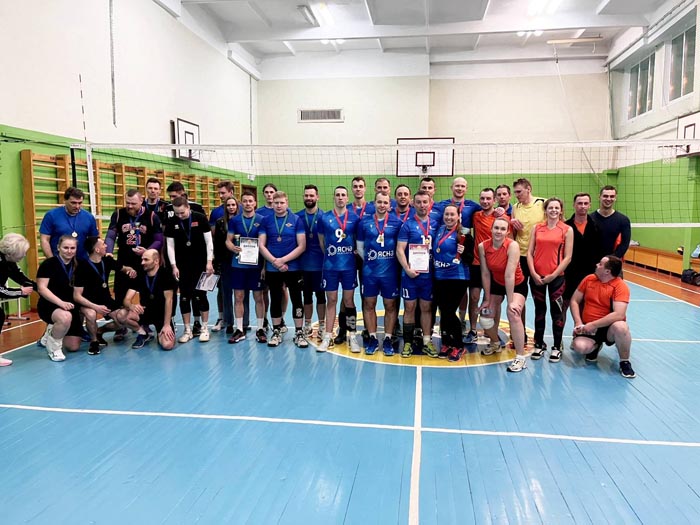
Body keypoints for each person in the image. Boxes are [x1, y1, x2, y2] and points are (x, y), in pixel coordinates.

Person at [105, 189, 163, 342]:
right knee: (120, 293)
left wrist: (148, 251)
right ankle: (121, 325)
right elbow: (111, 235)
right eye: (128, 203)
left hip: (143, 262)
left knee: (146, 294)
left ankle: (145, 324)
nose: (130, 206)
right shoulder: (118, 214)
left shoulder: (151, 216)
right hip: (124, 261)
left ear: (141, 201)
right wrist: (109, 251)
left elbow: (159, 239)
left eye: (133, 203)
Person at [569, 255, 636, 378]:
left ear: (607, 271)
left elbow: (619, 314)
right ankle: (595, 346)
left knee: (621, 327)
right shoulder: (589, 279)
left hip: (608, 328)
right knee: (580, 347)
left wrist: (593, 325)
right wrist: (578, 322)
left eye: (600, 264)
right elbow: (574, 301)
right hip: (588, 327)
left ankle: (624, 362)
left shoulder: (620, 286)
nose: (596, 265)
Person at [73, 236, 140, 354]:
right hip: (87, 301)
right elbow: (77, 296)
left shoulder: (107, 261)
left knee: (122, 319)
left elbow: (124, 268)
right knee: (91, 314)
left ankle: (100, 331)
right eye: (103, 244)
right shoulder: (82, 267)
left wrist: (131, 271)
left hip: (105, 299)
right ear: (97, 250)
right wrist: (96, 307)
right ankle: (94, 342)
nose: (106, 246)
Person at [478, 217, 529, 372]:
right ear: (491, 229)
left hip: (516, 284)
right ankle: (495, 343)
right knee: (485, 316)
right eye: (496, 228)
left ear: (507, 232)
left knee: (513, 313)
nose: (498, 231)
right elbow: (485, 273)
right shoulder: (483, 246)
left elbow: (509, 275)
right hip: (496, 283)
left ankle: (520, 357)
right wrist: (487, 299)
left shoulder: (512, 246)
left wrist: (511, 301)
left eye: (502, 229)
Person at [526, 198, 573, 362]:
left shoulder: (566, 229)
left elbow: (568, 257)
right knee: (539, 311)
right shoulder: (537, 228)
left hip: (557, 278)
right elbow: (529, 252)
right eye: (550, 208)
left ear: (561, 210)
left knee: (557, 312)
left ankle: (557, 347)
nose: (553, 210)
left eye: (556, 208)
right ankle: (539, 344)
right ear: (545, 210)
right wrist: (533, 273)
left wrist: (553, 275)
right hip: (537, 277)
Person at [258, 191, 307, 348]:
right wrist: (275, 261)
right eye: (276, 203)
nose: (278, 206)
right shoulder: (266, 221)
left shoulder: (296, 220)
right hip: (273, 268)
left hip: (293, 267)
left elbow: (302, 245)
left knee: (296, 298)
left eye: (281, 203)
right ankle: (277, 331)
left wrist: (283, 260)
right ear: (272, 204)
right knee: (275, 298)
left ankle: (299, 332)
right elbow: (261, 245)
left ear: (287, 203)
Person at [356, 192, 402, 356]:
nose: (382, 205)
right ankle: (373, 338)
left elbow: (400, 247)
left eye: (385, 202)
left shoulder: (397, 223)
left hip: (390, 272)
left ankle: (388, 338)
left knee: (390, 305)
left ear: (390, 205)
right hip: (370, 273)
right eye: (379, 202)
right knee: (369, 304)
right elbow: (359, 247)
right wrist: (372, 260)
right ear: (374, 203)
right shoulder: (364, 222)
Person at [318, 186, 362, 353]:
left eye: (343, 195)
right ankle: (327, 336)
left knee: (349, 301)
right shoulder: (324, 218)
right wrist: (332, 255)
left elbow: (357, 241)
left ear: (347, 198)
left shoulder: (355, 218)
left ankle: (352, 336)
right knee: (332, 300)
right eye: (337, 195)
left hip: (349, 267)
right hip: (330, 267)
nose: (340, 198)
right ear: (334, 197)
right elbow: (322, 242)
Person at [165, 197, 214, 343]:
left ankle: (204, 328)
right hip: (182, 266)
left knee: (201, 295)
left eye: (182, 212)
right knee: (184, 297)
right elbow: (170, 246)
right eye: (177, 213)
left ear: (188, 207)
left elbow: (209, 242)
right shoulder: (172, 221)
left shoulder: (200, 218)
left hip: (200, 264)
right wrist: (173, 265)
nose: (180, 216)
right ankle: (187, 330)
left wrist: (209, 262)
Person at [396, 190, 438, 358]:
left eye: (425, 202)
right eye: (419, 202)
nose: (422, 205)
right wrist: (407, 269)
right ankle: (408, 342)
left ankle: (427, 341)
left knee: (426, 308)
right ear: (413, 203)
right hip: (410, 275)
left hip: (429, 276)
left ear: (430, 203)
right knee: (409, 308)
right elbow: (400, 249)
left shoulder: (435, 224)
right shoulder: (407, 225)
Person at [433, 204, 472, 361]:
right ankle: (446, 343)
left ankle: (458, 346)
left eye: (452, 215)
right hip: (439, 276)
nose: (449, 217)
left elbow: (470, 258)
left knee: (449, 311)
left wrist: (464, 252)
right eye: (446, 214)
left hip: (457, 277)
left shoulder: (464, 233)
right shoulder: (440, 230)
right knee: (443, 311)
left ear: (458, 216)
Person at [226, 192, 266, 344]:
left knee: (259, 297)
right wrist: (232, 247)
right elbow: (228, 240)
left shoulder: (262, 220)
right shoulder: (235, 220)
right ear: (241, 204)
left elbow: (263, 243)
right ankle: (239, 329)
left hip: (256, 265)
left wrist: (264, 266)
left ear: (255, 203)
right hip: (238, 264)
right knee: (238, 297)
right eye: (245, 201)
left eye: (250, 201)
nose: (248, 203)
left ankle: (260, 328)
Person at [36, 235, 83, 361]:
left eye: (72, 248)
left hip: (71, 307)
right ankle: (54, 348)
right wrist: (61, 303)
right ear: (58, 247)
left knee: (73, 346)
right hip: (49, 305)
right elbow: (41, 288)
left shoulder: (79, 265)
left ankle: (51, 331)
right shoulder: (48, 264)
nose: (69, 251)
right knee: (65, 317)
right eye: (65, 247)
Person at [510, 178, 545, 342]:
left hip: (539, 257)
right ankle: (520, 333)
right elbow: (512, 235)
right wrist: (512, 225)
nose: (516, 195)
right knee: (519, 298)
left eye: (519, 191)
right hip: (521, 258)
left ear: (528, 189)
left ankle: (539, 338)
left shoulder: (542, 203)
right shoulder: (515, 207)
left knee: (540, 300)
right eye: (515, 192)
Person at [123, 249, 176, 350]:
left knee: (167, 345)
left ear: (156, 261)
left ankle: (160, 332)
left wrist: (166, 325)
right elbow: (126, 299)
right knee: (122, 315)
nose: (142, 262)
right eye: (142, 259)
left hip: (161, 315)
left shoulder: (166, 274)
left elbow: (169, 301)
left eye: (146, 260)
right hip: (145, 311)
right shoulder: (139, 274)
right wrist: (131, 306)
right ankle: (143, 333)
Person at [563, 193, 603, 323]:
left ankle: (582, 332)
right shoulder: (565, 226)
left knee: (585, 307)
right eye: (580, 203)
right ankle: (558, 336)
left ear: (590, 205)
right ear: (574, 205)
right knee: (563, 306)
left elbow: (600, 251)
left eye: (586, 203)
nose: (583, 206)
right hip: (569, 274)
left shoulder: (596, 227)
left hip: (590, 274)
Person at [0, 233, 36, 366]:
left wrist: (39, 287)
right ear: (12, 253)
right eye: (22, 252)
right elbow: (1, 290)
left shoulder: (9, 261)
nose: (24, 255)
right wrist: (20, 292)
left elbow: (20, 277)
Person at [296, 185, 326, 340]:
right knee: (306, 297)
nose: (309, 198)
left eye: (311, 195)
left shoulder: (324, 217)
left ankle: (322, 325)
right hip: (303, 265)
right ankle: (307, 325)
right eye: (306, 195)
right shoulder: (297, 217)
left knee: (321, 297)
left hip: (320, 265)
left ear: (317, 197)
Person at [39, 186, 98, 260]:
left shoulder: (89, 217)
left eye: (80, 203)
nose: (77, 206)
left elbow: (94, 241)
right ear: (65, 200)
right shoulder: (51, 215)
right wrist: (52, 261)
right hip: (59, 261)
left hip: (82, 261)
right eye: (73, 203)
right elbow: (44, 240)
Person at [212, 196, 238, 333]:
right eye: (228, 205)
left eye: (233, 205)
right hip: (224, 261)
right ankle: (228, 322)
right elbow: (217, 243)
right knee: (225, 292)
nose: (231, 207)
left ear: (237, 206)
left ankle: (243, 323)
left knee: (240, 293)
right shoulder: (220, 222)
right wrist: (216, 262)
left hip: (239, 260)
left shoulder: (241, 221)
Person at [590, 185, 631, 258]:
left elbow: (624, 244)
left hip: (612, 262)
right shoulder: (589, 218)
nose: (608, 199)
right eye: (605, 196)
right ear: (599, 197)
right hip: (592, 261)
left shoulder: (623, 220)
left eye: (612, 196)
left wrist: (610, 259)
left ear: (615, 198)